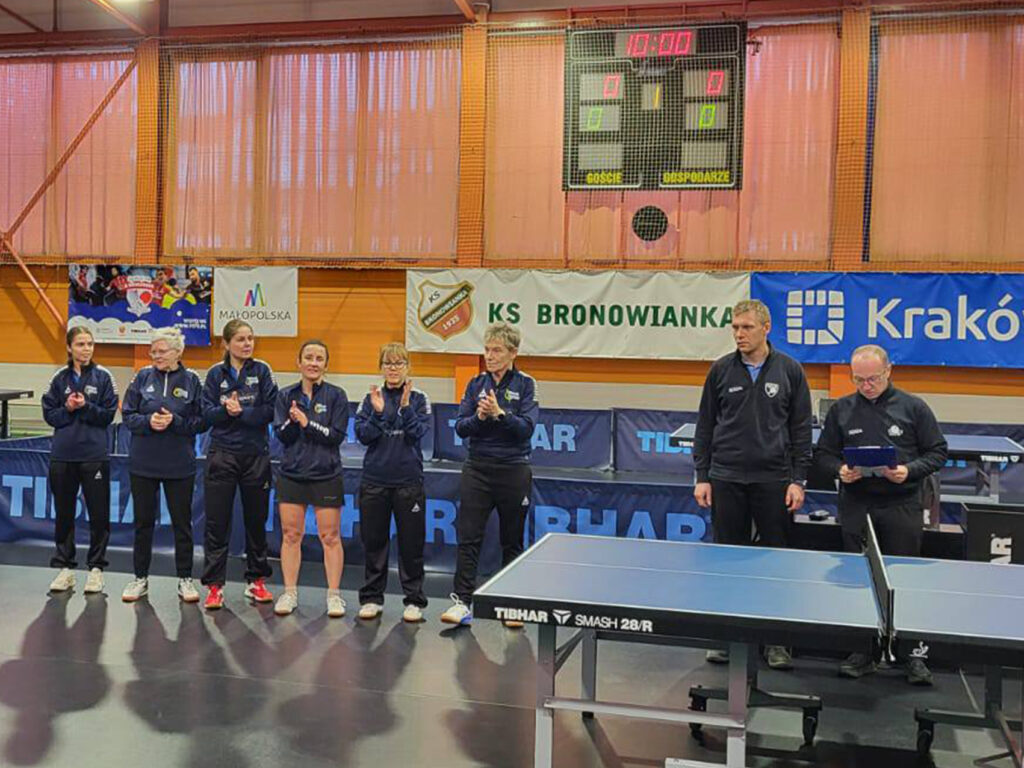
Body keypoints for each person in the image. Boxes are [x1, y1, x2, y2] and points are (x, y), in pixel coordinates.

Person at [816, 344, 948, 686]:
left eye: (873, 379)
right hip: (857, 505)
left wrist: (909, 470)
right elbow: (824, 454)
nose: (867, 386)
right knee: (859, 579)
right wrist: (840, 470)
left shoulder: (914, 407)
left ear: (888, 371)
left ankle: (912, 655)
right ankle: (863, 651)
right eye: (859, 380)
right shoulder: (841, 410)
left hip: (901, 504)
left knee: (904, 580)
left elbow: (938, 452)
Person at [693, 299, 812, 669]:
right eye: (735, 327)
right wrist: (702, 476)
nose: (739, 334)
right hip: (726, 477)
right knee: (727, 560)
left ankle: (776, 641)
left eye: (746, 327)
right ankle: (727, 638)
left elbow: (801, 430)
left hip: (773, 479)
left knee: (775, 561)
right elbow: (705, 425)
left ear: (766, 328)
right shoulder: (720, 370)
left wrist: (798, 480)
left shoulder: (790, 370)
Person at [441, 322, 538, 628]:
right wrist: (480, 416)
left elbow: (526, 428)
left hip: (513, 469)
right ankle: (462, 602)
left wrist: (500, 414)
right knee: (469, 537)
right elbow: (461, 427)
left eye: (497, 350)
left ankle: (511, 604)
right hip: (477, 469)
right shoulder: (475, 384)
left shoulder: (526, 384)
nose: (490, 356)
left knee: (512, 540)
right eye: (487, 350)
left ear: (513, 353)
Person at [120, 328, 206, 604]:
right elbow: (128, 415)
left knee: (182, 524)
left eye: (161, 351)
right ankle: (140, 578)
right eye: (153, 351)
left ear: (178, 352)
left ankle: (185, 579)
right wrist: (148, 422)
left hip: (179, 465)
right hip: (143, 464)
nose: (155, 355)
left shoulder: (192, 380)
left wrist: (175, 422)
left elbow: (201, 421)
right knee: (143, 524)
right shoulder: (141, 377)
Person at [200, 320, 279, 610]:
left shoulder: (262, 371)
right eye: (241, 339)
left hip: (255, 455)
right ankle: (214, 586)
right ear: (226, 343)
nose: (247, 344)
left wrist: (242, 412)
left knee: (256, 521)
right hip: (222, 454)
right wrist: (225, 411)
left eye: (250, 339)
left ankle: (256, 580)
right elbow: (206, 414)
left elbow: (270, 411)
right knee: (217, 522)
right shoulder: (214, 374)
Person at [271, 340, 349, 618]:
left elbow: (336, 437)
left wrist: (307, 422)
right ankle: (289, 593)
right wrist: (293, 422)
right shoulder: (285, 396)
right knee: (291, 535)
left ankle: (334, 596)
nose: (313, 363)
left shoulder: (337, 396)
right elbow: (282, 435)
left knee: (330, 536)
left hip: (326, 475)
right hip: (292, 474)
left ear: (326, 365)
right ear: (299, 362)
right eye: (308, 357)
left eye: (319, 359)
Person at [354, 343, 431, 623]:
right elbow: (363, 435)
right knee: (374, 543)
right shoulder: (371, 397)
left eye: (399, 363)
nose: (393, 369)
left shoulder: (419, 398)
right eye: (388, 363)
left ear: (408, 367)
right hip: (375, 481)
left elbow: (417, 433)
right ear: (381, 367)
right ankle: (372, 598)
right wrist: (377, 413)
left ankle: (414, 600)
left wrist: (406, 408)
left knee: (411, 545)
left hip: (408, 482)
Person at [41, 326, 119, 595]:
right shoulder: (59, 378)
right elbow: (50, 415)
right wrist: (68, 408)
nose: (86, 349)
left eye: (90, 344)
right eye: (81, 344)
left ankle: (96, 569)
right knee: (64, 513)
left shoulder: (104, 377)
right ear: (69, 347)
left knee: (99, 514)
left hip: (94, 456)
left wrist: (85, 406)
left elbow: (108, 416)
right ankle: (65, 568)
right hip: (63, 456)